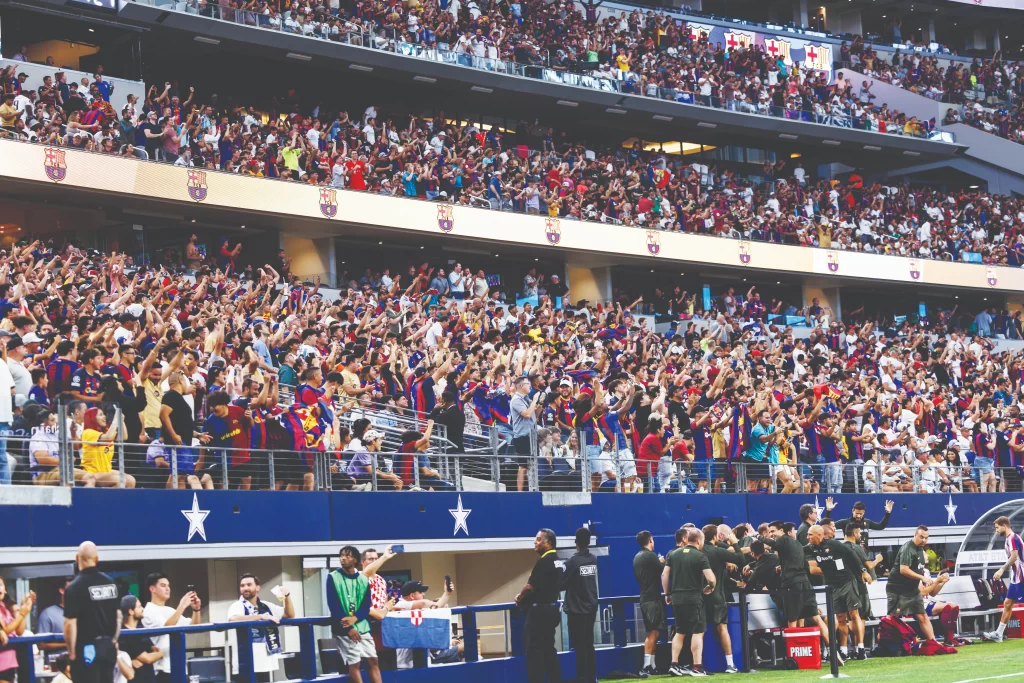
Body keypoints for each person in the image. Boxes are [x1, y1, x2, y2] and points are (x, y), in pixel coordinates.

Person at [805, 525, 869, 662]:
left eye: (810, 534)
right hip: (833, 586)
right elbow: (797, 552)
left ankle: (861, 648)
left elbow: (852, 555)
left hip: (847, 581)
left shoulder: (834, 544)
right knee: (840, 618)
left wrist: (863, 571)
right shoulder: (811, 548)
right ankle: (844, 650)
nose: (807, 537)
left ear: (820, 535)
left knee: (854, 614)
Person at [63, 542, 120, 683]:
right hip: (107, 647)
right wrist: (113, 640)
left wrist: (71, 651)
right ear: (97, 559)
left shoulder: (74, 588)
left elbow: (70, 623)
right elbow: (118, 616)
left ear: (77, 558)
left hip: (86, 648)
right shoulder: (110, 583)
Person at [662, 527, 715, 677]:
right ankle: (697, 667)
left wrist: (667, 594)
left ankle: (674, 664)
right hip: (694, 599)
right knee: (698, 632)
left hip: (677, 599)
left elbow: (664, 575)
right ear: (698, 541)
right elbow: (711, 578)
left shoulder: (673, 554)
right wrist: (710, 587)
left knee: (680, 631)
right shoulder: (700, 556)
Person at [326, 546, 382, 683]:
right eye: (341, 556)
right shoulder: (333, 577)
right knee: (354, 663)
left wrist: (355, 619)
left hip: (362, 626)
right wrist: (349, 628)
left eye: (348, 556)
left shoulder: (363, 579)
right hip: (344, 629)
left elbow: (366, 604)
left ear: (356, 560)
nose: (343, 558)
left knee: (373, 660)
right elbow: (333, 605)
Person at [515, 529, 563, 683]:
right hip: (552, 610)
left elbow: (530, 587)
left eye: (538, 539)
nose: (535, 542)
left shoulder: (544, 561)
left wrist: (519, 597)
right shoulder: (558, 561)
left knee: (533, 652)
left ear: (548, 543)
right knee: (549, 649)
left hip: (539, 613)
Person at [227, 574, 295, 680]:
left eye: (249, 585)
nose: (245, 588)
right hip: (245, 661)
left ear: (258, 587)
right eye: (242, 586)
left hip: (264, 660)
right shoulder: (237, 605)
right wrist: (260, 617)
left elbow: (289, 615)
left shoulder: (266, 606)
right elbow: (233, 619)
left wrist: (287, 597)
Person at [141, 573, 202, 683]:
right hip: (162, 669)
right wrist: (182, 606)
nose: (167, 589)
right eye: (163, 585)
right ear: (152, 589)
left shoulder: (170, 610)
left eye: (168, 586)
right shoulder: (148, 611)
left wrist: (196, 610)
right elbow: (166, 627)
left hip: (179, 665)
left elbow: (194, 628)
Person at [885, 525, 937, 641]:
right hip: (898, 590)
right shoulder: (908, 548)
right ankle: (883, 643)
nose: (924, 540)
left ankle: (933, 643)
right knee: (891, 618)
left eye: (926, 538)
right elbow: (903, 570)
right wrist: (922, 578)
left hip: (913, 590)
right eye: (921, 537)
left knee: (923, 616)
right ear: (915, 534)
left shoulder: (920, 549)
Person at [700, 525, 739, 673]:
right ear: (716, 536)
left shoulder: (698, 552)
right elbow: (740, 557)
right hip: (717, 596)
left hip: (701, 596)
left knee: (699, 631)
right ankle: (730, 664)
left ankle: (697, 665)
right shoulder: (718, 551)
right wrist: (735, 543)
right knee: (722, 628)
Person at [561, 527, 598, 683]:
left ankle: (582, 677)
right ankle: (591, 676)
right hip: (591, 607)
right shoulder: (593, 559)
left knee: (579, 645)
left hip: (577, 610)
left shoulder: (572, 562)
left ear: (576, 542)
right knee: (589, 644)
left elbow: (561, 584)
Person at [983, 516, 1024, 642]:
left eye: (997, 528)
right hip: (1015, 577)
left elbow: (1014, 557)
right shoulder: (1009, 538)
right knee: (1007, 603)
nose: (996, 531)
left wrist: (1001, 569)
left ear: (1004, 526)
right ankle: (999, 634)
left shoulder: (1012, 537)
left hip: (1022, 576)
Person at [633, 530, 665, 678]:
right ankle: (646, 666)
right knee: (653, 632)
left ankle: (652, 665)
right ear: (650, 540)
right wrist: (662, 562)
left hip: (646, 598)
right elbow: (663, 570)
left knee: (655, 631)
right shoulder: (651, 556)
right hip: (652, 599)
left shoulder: (637, 557)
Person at [119, 595, 163, 683]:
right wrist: (162, 653)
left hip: (149, 678)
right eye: (139, 607)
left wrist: (152, 655)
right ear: (131, 611)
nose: (143, 609)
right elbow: (148, 658)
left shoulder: (141, 629)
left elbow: (153, 649)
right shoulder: (123, 633)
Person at [510, 376, 541, 492]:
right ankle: (520, 492)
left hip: (532, 435)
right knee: (523, 465)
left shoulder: (526, 399)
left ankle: (533, 488)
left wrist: (539, 404)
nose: (530, 386)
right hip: (522, 436)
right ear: (521, 386)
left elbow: (534, 415)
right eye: (528, 384)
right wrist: (533, 401)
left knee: (532, 463)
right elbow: (527, 414)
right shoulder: (516, 400)